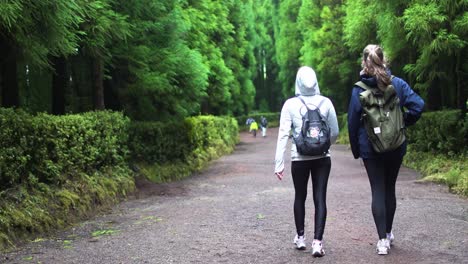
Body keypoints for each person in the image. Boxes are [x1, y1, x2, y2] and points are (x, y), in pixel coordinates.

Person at [347, 44, 424, 255]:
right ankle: (389, 233)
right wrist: (403, 122)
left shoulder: (358, 89)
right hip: (396, 146)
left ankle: (382, 241)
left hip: (370, 149)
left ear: (364, 63)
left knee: (377, 190)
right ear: (384, 60)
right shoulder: (397, 84)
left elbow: (352, 123)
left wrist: (357, 150)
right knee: (390, 188)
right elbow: (418, 105)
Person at [274, 66, 339, 257]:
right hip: (322, 158)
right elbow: (334, 132)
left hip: (299, 158)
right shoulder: (326, 103)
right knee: (320, 198)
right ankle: (317, 243)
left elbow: (283, 135)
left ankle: (300, 238)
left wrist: (279, 163)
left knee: (299, 196)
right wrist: (324, 145)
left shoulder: (290, 104)